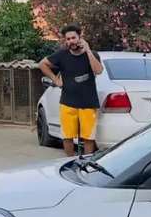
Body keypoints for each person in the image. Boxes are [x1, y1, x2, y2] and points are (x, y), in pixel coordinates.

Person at [39, 24, 104, 156]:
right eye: (67, 39)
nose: (70, 42)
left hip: (88, 103)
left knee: (88, 137)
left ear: (80, 37)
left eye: (73, 38)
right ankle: (69, 161)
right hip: (67, 102)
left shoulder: (92, 54)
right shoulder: (62, 55)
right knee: (67, 136)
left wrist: (88, 51)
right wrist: (55, 80)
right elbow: (42, 64)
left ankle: (86, 162)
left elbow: (98, 70)